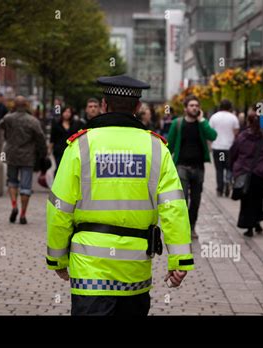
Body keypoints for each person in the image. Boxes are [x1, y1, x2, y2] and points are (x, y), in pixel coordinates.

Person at [46, 75, 193, 316]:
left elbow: (59, 207)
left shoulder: (80, 146)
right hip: (135, 267)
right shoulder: (156, 148)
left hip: (89, 268)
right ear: (137, 108)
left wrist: (57, 259)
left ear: (104, 105)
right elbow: (174, 207)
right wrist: (179, 260)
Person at [167, 96, 217, 239]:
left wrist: (202, 120)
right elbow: (169, 145)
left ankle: (192, 227)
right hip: (182, 167)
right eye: (191, 105)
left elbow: (213, 136)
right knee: (183, 200)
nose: (194, 108)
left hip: (199, 168)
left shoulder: (202, 124)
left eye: (196, 105)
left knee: (196, 200)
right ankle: (182, 228)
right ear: (185, 108)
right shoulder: (177, 123)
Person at [0, 96, 46, 225]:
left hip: (12, 155)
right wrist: (43, 153)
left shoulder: (8, 118)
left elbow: (0, 124)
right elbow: (41, 138)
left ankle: (14, 205)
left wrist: (10, 111)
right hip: (27, 156)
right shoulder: (33, 121)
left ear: (14, 105)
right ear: (26, 105)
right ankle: (23, 214)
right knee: (26, 187)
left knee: (12, 181)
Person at [209, 99, 239, 198]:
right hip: (229, 147)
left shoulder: (214, 117)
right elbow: (236, 132)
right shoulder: (233, 118)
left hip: (217, 147)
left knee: (219, 169)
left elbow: (210, 132)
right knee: (229, 167)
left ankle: (220, 189)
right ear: (230, 107)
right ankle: (228, 181)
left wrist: (209, 145)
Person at [49, 106, 82, 175]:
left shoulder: (75, 124)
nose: (67, 113)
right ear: (62, 113)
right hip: (59, 151)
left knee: (69, 170)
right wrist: (49, 150)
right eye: (65, 112)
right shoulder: (56, 124)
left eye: (69, 112)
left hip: (71, 151)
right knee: (59, 168)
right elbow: (52, 138)